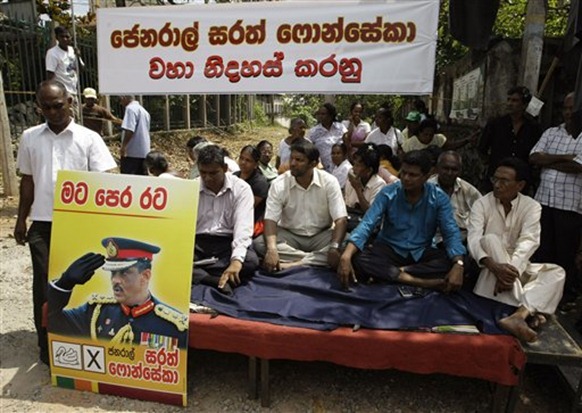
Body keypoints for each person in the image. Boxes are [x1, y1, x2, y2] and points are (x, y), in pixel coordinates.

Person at [14, 80, 116, 364]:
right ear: (39, 107)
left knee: (83, 282)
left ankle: (80, 344)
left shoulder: (88, 138)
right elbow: (28, 180)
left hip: (80, 224)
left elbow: (105, 180)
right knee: (43, 286)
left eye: (57, 105)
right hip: (44, 224)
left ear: (69, 102)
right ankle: (46, 348)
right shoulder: (30, 137)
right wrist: (21, 219)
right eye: (45, 107)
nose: (52, 112)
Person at [338, 150, 466, 292]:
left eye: (413, 175)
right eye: (404, 173)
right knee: (357, 257)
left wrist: (458, 264)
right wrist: (346, 256)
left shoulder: (439, 198)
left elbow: (451, 233)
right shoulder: (388, 192)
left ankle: (393, 273)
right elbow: (367, 224)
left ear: (426, 176)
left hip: (420, 252)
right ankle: (421, 282)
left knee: (458, 263)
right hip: (388, 249)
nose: (406, 178)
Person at [467, 158, 565, 342]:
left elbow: (529, 241)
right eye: (495, 179)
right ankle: (528, 310)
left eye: (504, 181)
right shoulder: (482, 204)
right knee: (489, 239)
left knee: (557, 272)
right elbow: (473, 239)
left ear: (520, 185)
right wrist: (496, 268)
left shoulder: (532, 207)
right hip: (489, 268)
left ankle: (518, 316)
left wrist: (510, 272)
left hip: (514, 270)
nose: (497, 184)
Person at [47, 238, 188, 348]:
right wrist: (64, 284)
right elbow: (54, 322)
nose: (115, 280)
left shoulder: (171, 324)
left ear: (145, 276)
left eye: (125, 273)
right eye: (113, 273)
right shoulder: (96, 311)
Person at [255, 141, 348, 271]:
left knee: (346, 243)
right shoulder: (279, 183)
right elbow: (270, 219)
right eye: (291, 158)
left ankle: (296, 263)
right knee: (260, 244)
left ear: (313, 164)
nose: (292, 164)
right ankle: (314, 261)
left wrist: (333, 247)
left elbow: (341, 220)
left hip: (321, 235)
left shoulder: (329, 182)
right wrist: (272, 249)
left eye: (299, 160)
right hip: (290, 235)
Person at [529, 92, 582, 311]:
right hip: (544, 202)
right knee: (543, 249)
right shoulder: (552, 132)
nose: (568, 113)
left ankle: (563, 296)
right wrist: (566, 158)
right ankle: (539, 292)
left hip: (570, 205)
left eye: (573, 109)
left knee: (565, 253)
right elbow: (533, 157)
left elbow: (579, 167)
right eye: (566, 108)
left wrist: (548, 161)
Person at [193, 145, 258, 294]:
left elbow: (243, 228)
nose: (208, 178)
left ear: (225, 168)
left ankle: (198, 272)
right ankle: (212, 279)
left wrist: (236, 261)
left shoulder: (241, 189)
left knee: (249, 261)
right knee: (170, 259)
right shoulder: (191, 188)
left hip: (226, 243)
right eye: (203, 173)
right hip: (198, 243)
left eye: (213, 173)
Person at [478, 86, 543, 193]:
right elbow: (482, 149)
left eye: (515, 100)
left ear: (524, 104)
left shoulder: (533, 128)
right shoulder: (495, 124)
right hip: (496, 179)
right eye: (508, 100)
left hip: (521, 181)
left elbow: (537, 153)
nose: (510, 103)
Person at [428, 151, 481, 242]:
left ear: (460, 171)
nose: (449, 173)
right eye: (445, 168)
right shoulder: (426, 189)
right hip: (433, 242)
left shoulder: (469, 191)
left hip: (463, 242)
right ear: (437, 168)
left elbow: (482, 216)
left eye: (454, 169)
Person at [45, 26, 84, 118]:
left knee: (77, 118)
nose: (65, 39)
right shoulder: (53, 53)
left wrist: (78, 56)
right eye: (62, 37)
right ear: (57, 38)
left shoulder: (73, 50)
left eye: (67, 37)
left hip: (73, 90)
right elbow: (50, 74)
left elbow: (81, 69)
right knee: (68, 118)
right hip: (63, 91)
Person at [234, 145, 269, 233]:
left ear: (256, 165)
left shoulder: (260, 183)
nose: (243, 162)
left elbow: (247, 207)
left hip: (250, 222)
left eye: (248, 160)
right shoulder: (234, 176)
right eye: (241, 158)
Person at [345, 144, 386, 215]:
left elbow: (371, 214)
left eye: (357, 166)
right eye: (354, 164)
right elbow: (347, 205)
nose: (353, 168)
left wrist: (358, 189)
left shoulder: (379, 184)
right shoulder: (351, 180)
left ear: (369, 170)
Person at [307, 103, 347, 172]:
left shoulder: (341, 128)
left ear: (331, 115)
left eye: (323, 114)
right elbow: (310, 151)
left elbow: (347, 144)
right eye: (319, 114)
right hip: (323, 169)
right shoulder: (313, 132)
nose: (320, 116)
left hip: (341, 168)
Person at [402, 119, 476, 153]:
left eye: (431, 135)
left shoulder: (438, 139)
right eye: (425, 134)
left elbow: (451, 146)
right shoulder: (409, 144)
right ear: (420, 133)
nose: (428, 137)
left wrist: (467, 140)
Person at [120, 95, 151, 175]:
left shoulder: (130, 109)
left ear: (124, 97)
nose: (120, 101)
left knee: (128, 179)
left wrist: (123, 147)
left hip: (132, 152)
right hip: (144, 152)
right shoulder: (144, 111)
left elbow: (130, 130)